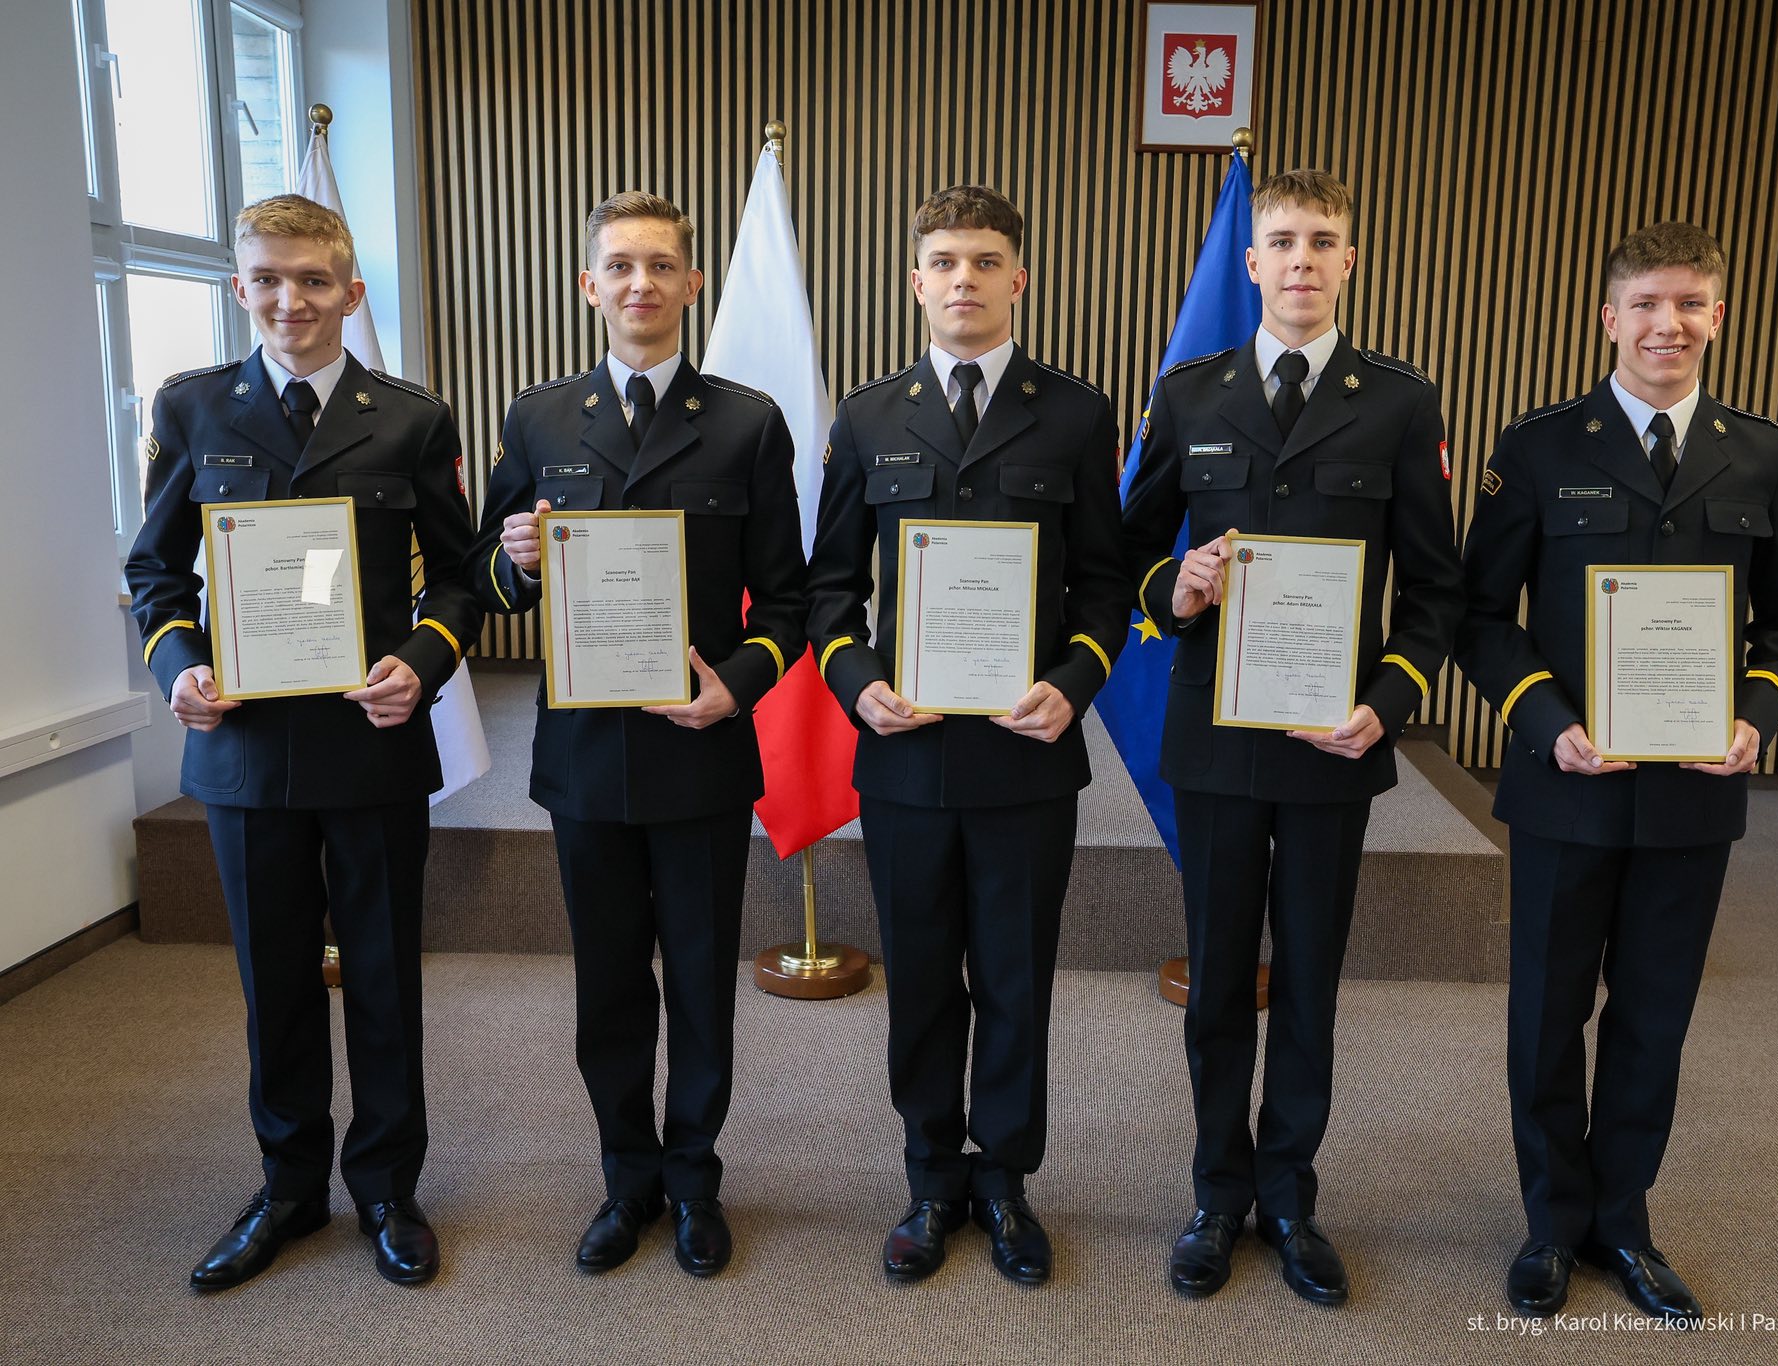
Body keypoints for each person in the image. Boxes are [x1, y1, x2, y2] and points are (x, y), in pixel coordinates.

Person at [1457, 221, 1778, 1324]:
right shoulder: (1536, 448)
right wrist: (1544, 720)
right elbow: (1482, 617)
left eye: (1691, 304)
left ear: (1717, 316)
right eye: (1646, 304)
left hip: (1690, 790)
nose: (1668, 324)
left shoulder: (1759, 453)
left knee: (1652, 1014)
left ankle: (1621, 1219)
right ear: (1606, 316)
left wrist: (1757, 714)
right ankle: (1546, 1222)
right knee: (1546, 1010)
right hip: (1565, 778)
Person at [1120, 168, 1463, 1306]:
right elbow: (1120, 559)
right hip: (1215, 744)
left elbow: (1434, 590)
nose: (1302, 258)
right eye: (1281, 240)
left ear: (1349, 262)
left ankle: (1290, 1195)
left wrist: (1392, 699)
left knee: (1308, 979)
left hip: (1331, 739)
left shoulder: (1400, 404)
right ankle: (1218, 1193)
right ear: (1252, 262)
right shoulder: (1188, 393)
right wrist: (1177, 587)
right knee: (1220, 978)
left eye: (1324, 240)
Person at [126, 194, 481, 1290]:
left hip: (369, 744)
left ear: (350, 292)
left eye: (314, 281)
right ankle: (286, 1189)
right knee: (273, 981)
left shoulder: (413, 418)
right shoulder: (193, 409)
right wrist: (177, 664)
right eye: (269, 280)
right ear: (241, 289)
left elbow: (464, 578)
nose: (292, 301)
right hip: (241, 754)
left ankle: (385, 1187)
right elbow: (154, 571)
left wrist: (420, 664)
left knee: (380, 975)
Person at [463, 191, 806, 1277]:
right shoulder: (537, 419)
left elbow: (790, 605)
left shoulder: (748, 421)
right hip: (584, 760)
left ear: (692, 284)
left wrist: (735, 686)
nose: (641, 284)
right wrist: (514, 560)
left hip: (700, 750)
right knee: (609, 985)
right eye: (619, 265)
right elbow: (488, 582)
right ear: (588, 286)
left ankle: (695, 1182)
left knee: (701, 981)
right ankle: (626, 1181)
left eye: (661, 265)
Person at [805, 184, 1126, 1288]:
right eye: (942, 261)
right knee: (924, 974)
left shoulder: (1077, 415)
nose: (962, 280)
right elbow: (829, 590)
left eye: (985, 261)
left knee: (1015, 974)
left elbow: (1106, 589)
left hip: (1025, 752)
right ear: (913, 281)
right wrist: (857, 685)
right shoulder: (867, 417)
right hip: (903, 751)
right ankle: (930, 1174)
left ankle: (1006, 1178)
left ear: (1018, 278)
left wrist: (1073, 681)